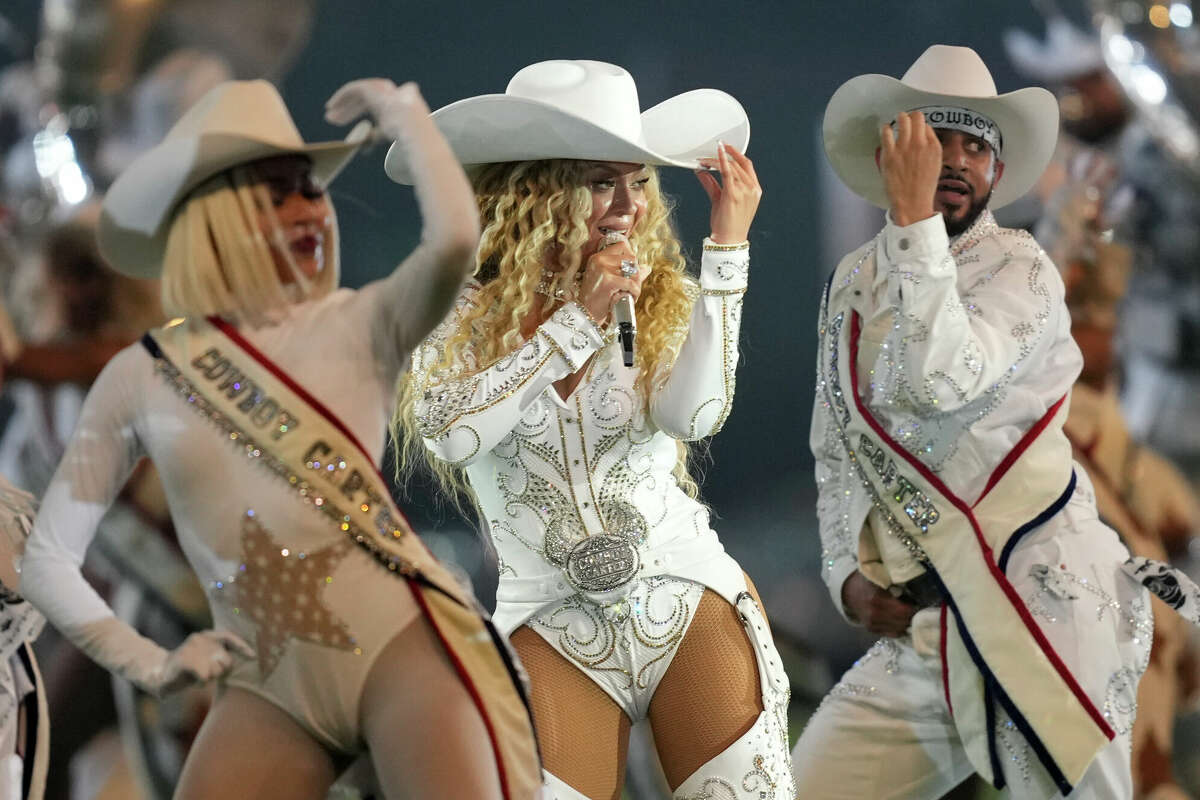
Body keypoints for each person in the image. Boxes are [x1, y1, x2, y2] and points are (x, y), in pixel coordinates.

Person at [17, 78, 541, 799]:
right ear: (216, 217)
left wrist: (407, 119)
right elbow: (48, 561)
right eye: (275, 193)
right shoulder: (140, 373)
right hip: (266, 696)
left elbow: (455, 239)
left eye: (311, 189)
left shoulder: (362, 322)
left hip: (407, 654)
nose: (308, 208)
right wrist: (152, 663)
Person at [393, 60, 794, 800]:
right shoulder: (453, 311)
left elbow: (695, 416)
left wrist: (727, 253)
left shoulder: (659, 295)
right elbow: (449, 433)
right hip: (547, 622)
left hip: (684, 596)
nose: (628, 206)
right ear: (535, 189)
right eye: (599, 180)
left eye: (637, 181)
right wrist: (573, 327)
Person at [794, 44, 1163, 798]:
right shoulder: (853, 282)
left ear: (997, 172)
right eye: (937, 140)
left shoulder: (1022, 268)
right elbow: (835, 448)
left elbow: (943, 380)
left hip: (1040, 610)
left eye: (976, 145)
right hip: (922, 636)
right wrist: (843, 579)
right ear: (894, 152)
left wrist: (908, 224)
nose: (957, 160)